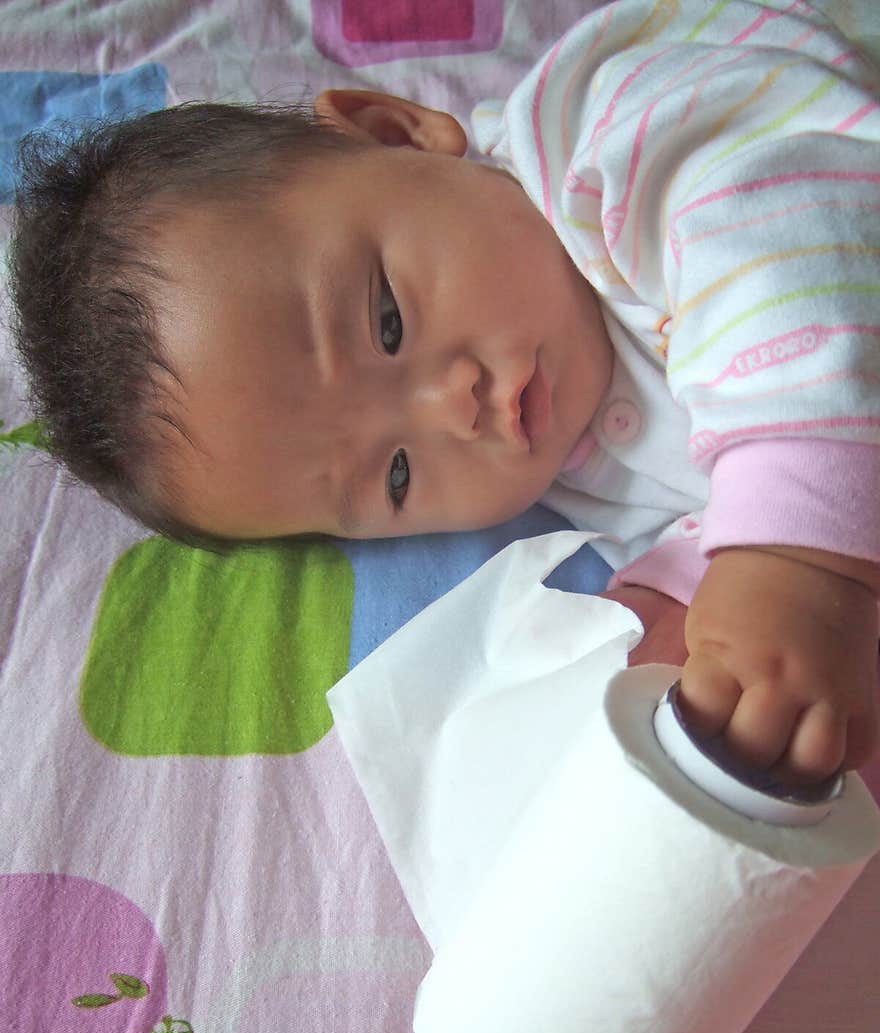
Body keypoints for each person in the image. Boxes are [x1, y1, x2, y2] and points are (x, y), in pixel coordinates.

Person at [8, 0, 879, 790]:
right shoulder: (571, 452)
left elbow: (803, 243)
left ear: (393, 132)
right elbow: (711, 522)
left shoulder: (619, 139)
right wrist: (688, 619)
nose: (450, 412)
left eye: (388, 322)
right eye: (395, 476)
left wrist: (790, 565)